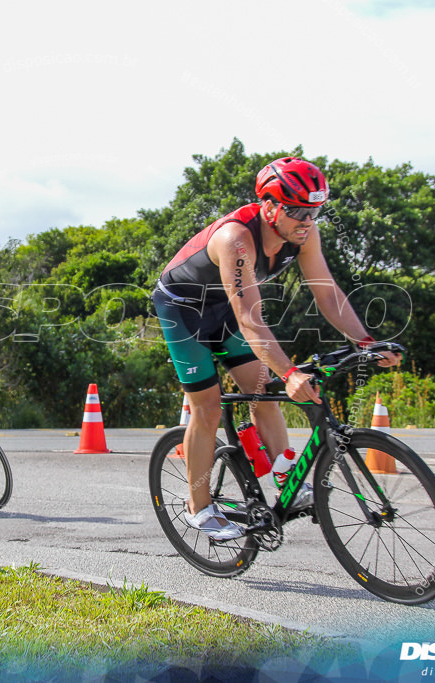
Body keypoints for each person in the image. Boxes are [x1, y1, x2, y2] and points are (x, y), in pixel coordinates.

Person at [152, 157, 401, 540]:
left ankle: (286, 480)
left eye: (315, 211)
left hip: (226, 309)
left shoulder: (303, 234)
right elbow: (251, 320)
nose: (307, 220)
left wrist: (366, 342)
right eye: (298, 211)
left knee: (264, 392)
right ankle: (198, 507)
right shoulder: (236, 240)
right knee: (208, 407)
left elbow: (328, 294)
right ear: (269, 207)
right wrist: (291, 373)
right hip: (183, 311)